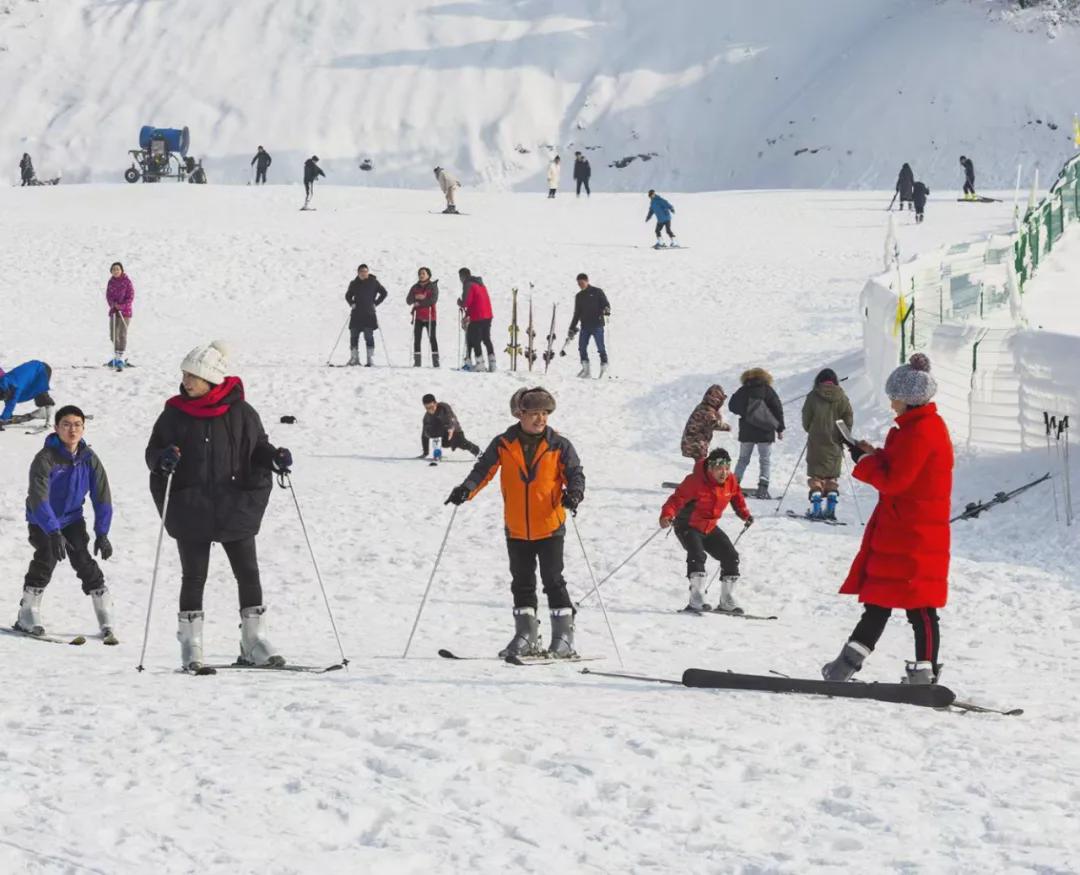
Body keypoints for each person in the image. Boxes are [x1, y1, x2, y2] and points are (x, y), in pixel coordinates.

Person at [144, 340, 293, 671]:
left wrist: (275, 458)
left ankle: (253, 642)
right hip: (191, 505)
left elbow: (258, 448)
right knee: (194, 577)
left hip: (234, 504)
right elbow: (153, 451)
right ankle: (191, 646)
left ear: (211, 378)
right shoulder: (174, 413)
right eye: (184, 375)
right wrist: (162, 460)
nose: (186, 381)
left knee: (249, 574)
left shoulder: (242, 413)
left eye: (192, 376)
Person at [821, 353, 953, 685]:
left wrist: (865, 461)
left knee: (919, 606)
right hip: (902, 529)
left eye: (894, 395)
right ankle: (845, 666)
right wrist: (870, 453)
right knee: (880, 600)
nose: (891, 402)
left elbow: (895, 480)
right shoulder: (914, 429)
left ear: (908, 399)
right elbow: (899, 467)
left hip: (914, 532)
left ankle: (923, 673)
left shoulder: (922, 432)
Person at [445, 387, 585, 658]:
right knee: (521, 581)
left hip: (550, 525)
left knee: (553, 579)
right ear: (521, 414)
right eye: (534, 413)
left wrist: (575, 494)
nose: (540, 419)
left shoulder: (559, 444)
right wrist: (466, 489)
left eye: (545, 413)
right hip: (517, 527)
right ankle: (526, 635)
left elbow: (575, 474)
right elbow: (483, 470)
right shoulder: (503, 443)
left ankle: (564, 638)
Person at [15, 405, 116, 642]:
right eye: (66, 424)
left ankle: (105, 616)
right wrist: (52, 531)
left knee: (82, 558)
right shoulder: (45, 459)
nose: (72, 430)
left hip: (72, 519)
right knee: (47, 556)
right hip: (42, 519)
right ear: (56, 428)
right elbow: (38, 497)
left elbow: (102, 495)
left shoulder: (89, 458)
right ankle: (27, 615)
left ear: (83, 427)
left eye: (77, 425)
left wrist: (102, 533)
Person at [660, 447, 753, 613]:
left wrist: (745, 515)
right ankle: (696, 599)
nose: (723, 473)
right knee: (697, 555)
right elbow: (676, 500)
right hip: (688, 525)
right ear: (710, 468)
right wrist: (666, 515)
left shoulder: (731, 480)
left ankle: (727, 600)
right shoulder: (695, 481)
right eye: (719, 469)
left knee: (731, 556)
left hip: (709, 527)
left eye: (726, 468)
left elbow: (736, 496)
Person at [800, 368, 853, 520]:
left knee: (816, 476)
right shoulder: (842, 397)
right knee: (831, 476)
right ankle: (830, 508)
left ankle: (816, 507)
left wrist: (811, 429)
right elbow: (848, 416)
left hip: (816, 441)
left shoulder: (813, 396)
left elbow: (806, 417)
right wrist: (844, 433)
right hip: (835, 441)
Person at [728, 367, 785, 499]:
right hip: (765, 431)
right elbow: (777, 408)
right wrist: (780, 429)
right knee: (765, 460)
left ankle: (734, 486)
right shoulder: (768, 390)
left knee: (743, 459)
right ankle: (763, 489)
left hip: (747, 431)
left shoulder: (743, 390)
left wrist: (746, 412)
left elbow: (732, 406)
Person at [567, 272, 610, 379]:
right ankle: (586, 371)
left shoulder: (597, 292)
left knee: (601, 348)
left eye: (582, 283)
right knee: (582, 347)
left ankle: (604, 369)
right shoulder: (579, 296)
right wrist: (572, 327)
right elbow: (576, 313)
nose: (580, 285)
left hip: (597, 325)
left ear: (587, 281)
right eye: (578, 284)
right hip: (585, 326)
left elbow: (606, 304)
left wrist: (606, 310)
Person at [345, 264, 387, 367]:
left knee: (369, 336)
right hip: (356, 314)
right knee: (354, 336)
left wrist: (376, 303)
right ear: (358, 273)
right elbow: (348, 295)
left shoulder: (373, 282)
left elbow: (384, 293)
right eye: (361, 271)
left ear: (368, 272)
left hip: (369, 314)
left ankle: (370, 359)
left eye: (365, 271)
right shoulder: (354, 283)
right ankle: (354, 358)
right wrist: (351, 303)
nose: (364, 273)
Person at [681, 384, 731, 461]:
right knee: (701, 467)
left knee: (700, 466)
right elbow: (714, 424)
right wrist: (727, 427)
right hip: (695, 444)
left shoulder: (704, 407)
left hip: (694, 442)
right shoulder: (707, 410)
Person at [458, 267, 495, 371]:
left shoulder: (468, 284)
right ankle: (492, 363)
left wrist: (460, 303)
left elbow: (466, 302)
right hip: (487, 314)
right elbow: (476, 300)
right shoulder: (480, 283)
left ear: (462, 276)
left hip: (477, 315)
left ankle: (480, 363)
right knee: (486, 339)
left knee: (475, 339)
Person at [421, 394, 480, 459]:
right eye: (427, 408)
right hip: (443, 438)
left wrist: (451, 428)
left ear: (436, 403)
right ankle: (437, 454)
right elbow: (424, 435)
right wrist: (425, 453)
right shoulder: (427, 417)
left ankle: (478, 452)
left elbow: (450, 417)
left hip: (455, 432)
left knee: (463, 443)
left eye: (431, 407)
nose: (430, 410)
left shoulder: (443, 407)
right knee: (429, 428)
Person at [406, 267, 440, 367]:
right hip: (418, 317)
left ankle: (436, 361)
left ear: (428, 275)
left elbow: (433, 300)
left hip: (430, 316)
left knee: (432, 338)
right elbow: (408, 300)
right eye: (420, 273)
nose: (421, 275)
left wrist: (420, 301)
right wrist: (416, 297)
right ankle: (417, 362)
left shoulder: (433, 286)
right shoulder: (415, 287)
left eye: (423, 273)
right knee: (417, 339)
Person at [106, 261, 135, 369]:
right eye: (113, 269)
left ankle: (120, 357)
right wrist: (113, 305)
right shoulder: (111, 282)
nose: (116, 271)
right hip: (114, 311)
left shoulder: (127, 282)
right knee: (113, 334)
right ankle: (117, 356)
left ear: (121, 270)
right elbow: (108, 295)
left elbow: (131, 296)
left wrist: (122, 306)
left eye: (117, 269)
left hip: (125, 312)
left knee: (122, 334)